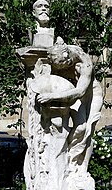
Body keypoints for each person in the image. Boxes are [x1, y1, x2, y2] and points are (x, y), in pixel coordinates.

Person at [37, 37, 103, 174]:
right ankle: (66, 159)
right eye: (56, 65)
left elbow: (80, 91)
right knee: (80, 128)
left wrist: (51, 96)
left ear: (67, 57)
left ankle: (81, 167)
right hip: (69, 93)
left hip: (90, 94)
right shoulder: (54, 60)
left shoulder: (84, 62)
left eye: (62, 64)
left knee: (88, 130)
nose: (60, 68)